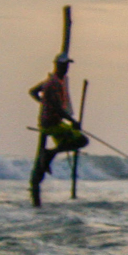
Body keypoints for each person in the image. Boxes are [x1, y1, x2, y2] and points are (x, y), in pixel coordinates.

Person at [28, 53, 88, 181]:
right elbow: (58, 109)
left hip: (53, 122)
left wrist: (43, 102)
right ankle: (49, 153)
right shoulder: (54, 83)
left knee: (66, 141)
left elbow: (33, 91)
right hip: (51, 123)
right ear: (57, 65)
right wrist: (73, 121)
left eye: (66, 65)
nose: (66, 68)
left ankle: (48, 156)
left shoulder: (53, 81)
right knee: (82, 140)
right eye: (63, 65)